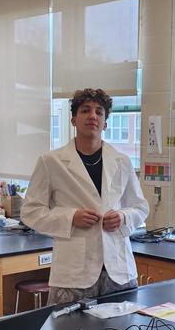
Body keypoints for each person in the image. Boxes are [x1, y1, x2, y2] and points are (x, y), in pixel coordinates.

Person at [22, 88, 149, 305]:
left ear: (105, 123)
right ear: (73, 119)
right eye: (85, 110)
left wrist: (123, 217)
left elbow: (140, 207)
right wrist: (71, 218)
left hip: (119, 271)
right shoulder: (51, 162)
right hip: (74, 274)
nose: (93, 116)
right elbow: (30, 212)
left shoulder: (122, 162)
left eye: (99, 112)